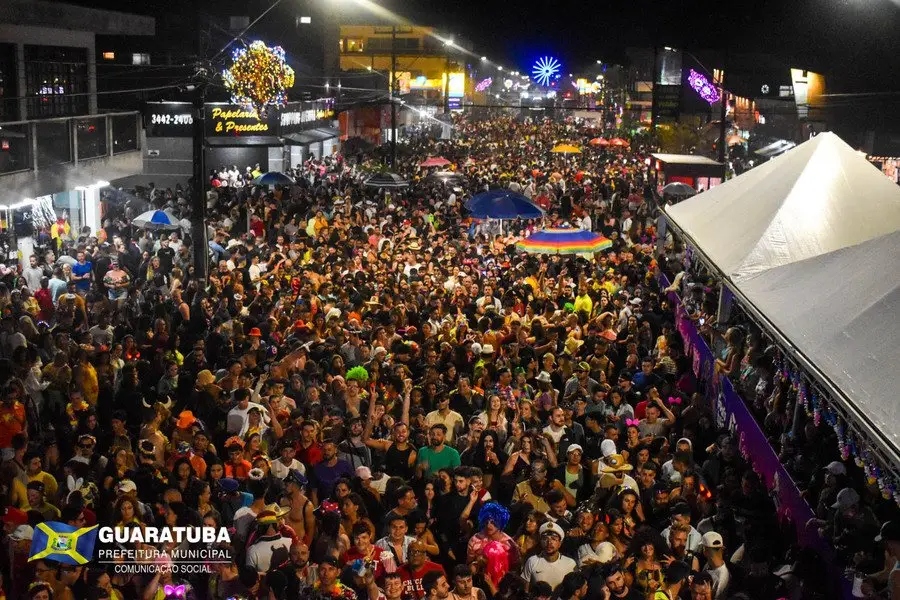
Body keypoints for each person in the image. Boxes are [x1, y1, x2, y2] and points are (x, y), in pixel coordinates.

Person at [521, 522, 576, 592]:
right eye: (545, 538)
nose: (549, 542)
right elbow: (525, 590)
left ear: (560, 543)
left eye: (553, 539)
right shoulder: (532, 561)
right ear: (540, 541)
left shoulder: (570, 563)